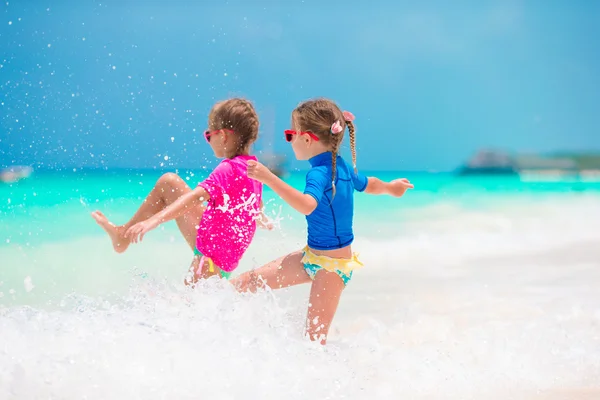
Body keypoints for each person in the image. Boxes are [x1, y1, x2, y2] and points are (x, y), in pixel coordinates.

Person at [230, 98, 413, 344]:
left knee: (314, 341)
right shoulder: (342, 166)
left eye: (289, 135)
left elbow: (307, 205)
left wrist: (268, 178)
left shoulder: (319, 172)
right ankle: (202, 311)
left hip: (332, 269)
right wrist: (392, 188)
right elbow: (369, 184)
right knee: (247, 282)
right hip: (311, 257)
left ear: (307, 139)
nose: (290, 140)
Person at [91, 98, 272, 285]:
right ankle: (123, 236)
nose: (209, 141)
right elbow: (255, 202)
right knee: (168, 183)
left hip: (209, 263)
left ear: (223, 136)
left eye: (209, 136)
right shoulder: (253, 168)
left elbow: (194, 198)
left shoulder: (228, 169)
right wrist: (261, 217)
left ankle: (124, 237)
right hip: (216, 250)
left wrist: (151, 221)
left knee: (192, 309)